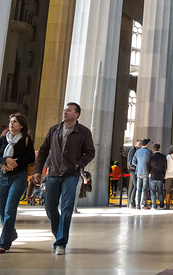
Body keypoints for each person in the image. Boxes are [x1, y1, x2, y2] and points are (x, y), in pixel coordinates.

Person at [34, 102, 96, 255]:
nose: (65, 112)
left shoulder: (83, 132)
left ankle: (61, 242)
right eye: (64, 110)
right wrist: (38, 170)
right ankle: (59, 233)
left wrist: (78, 164)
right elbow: (43, 151)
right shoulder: (54, 129)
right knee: (49, 207)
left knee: (67, 208)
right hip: (53, 174)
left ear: (77, 114)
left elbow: (90, 152)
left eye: (69, 110)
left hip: (71, 175)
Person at [0, 114, 35, 253]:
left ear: (21, 125)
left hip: (19, 177)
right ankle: (12, 233)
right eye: (10, 121)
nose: (11, 124)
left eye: (15, 122)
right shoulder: (3, 138)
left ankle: (3, 243)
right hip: (2, 177)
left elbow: (30, 157)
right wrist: (5, 161)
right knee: (1, 212)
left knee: (10, 210)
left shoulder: (26, 139)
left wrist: (15, 163)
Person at [131, 138, 152, 209]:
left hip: (138, 172)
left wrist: (138, 166)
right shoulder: (149, 152)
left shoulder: (137, 152)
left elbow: (133, 162)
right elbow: (151, 162)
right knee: (144, 189)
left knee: (138, 189)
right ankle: (143, 205)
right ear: (146, 145)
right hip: (146, 172)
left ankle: (137, 205)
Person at [146, 144, 167, 209]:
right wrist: (163, 173)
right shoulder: (163, 157)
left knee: (153, 192)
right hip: (160, 176)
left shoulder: (151, 157)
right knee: (160, 191)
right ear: (159, 149)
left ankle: (154, 206)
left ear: (153, 149)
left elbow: (148, 166)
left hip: (152, 175)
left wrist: (149, 173)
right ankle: (161, 206)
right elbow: (165, 167)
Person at [126, 140, 141, 208]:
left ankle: (130, 202)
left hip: (133, 170)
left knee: (132, 186)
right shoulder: (133, 151)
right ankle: (131, 202)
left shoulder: (135, 151)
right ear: (136, 143)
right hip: (133, 170)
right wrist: (136, 168)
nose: (140, 145)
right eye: (139, 144)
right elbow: (130, 163)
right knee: (135, 186)